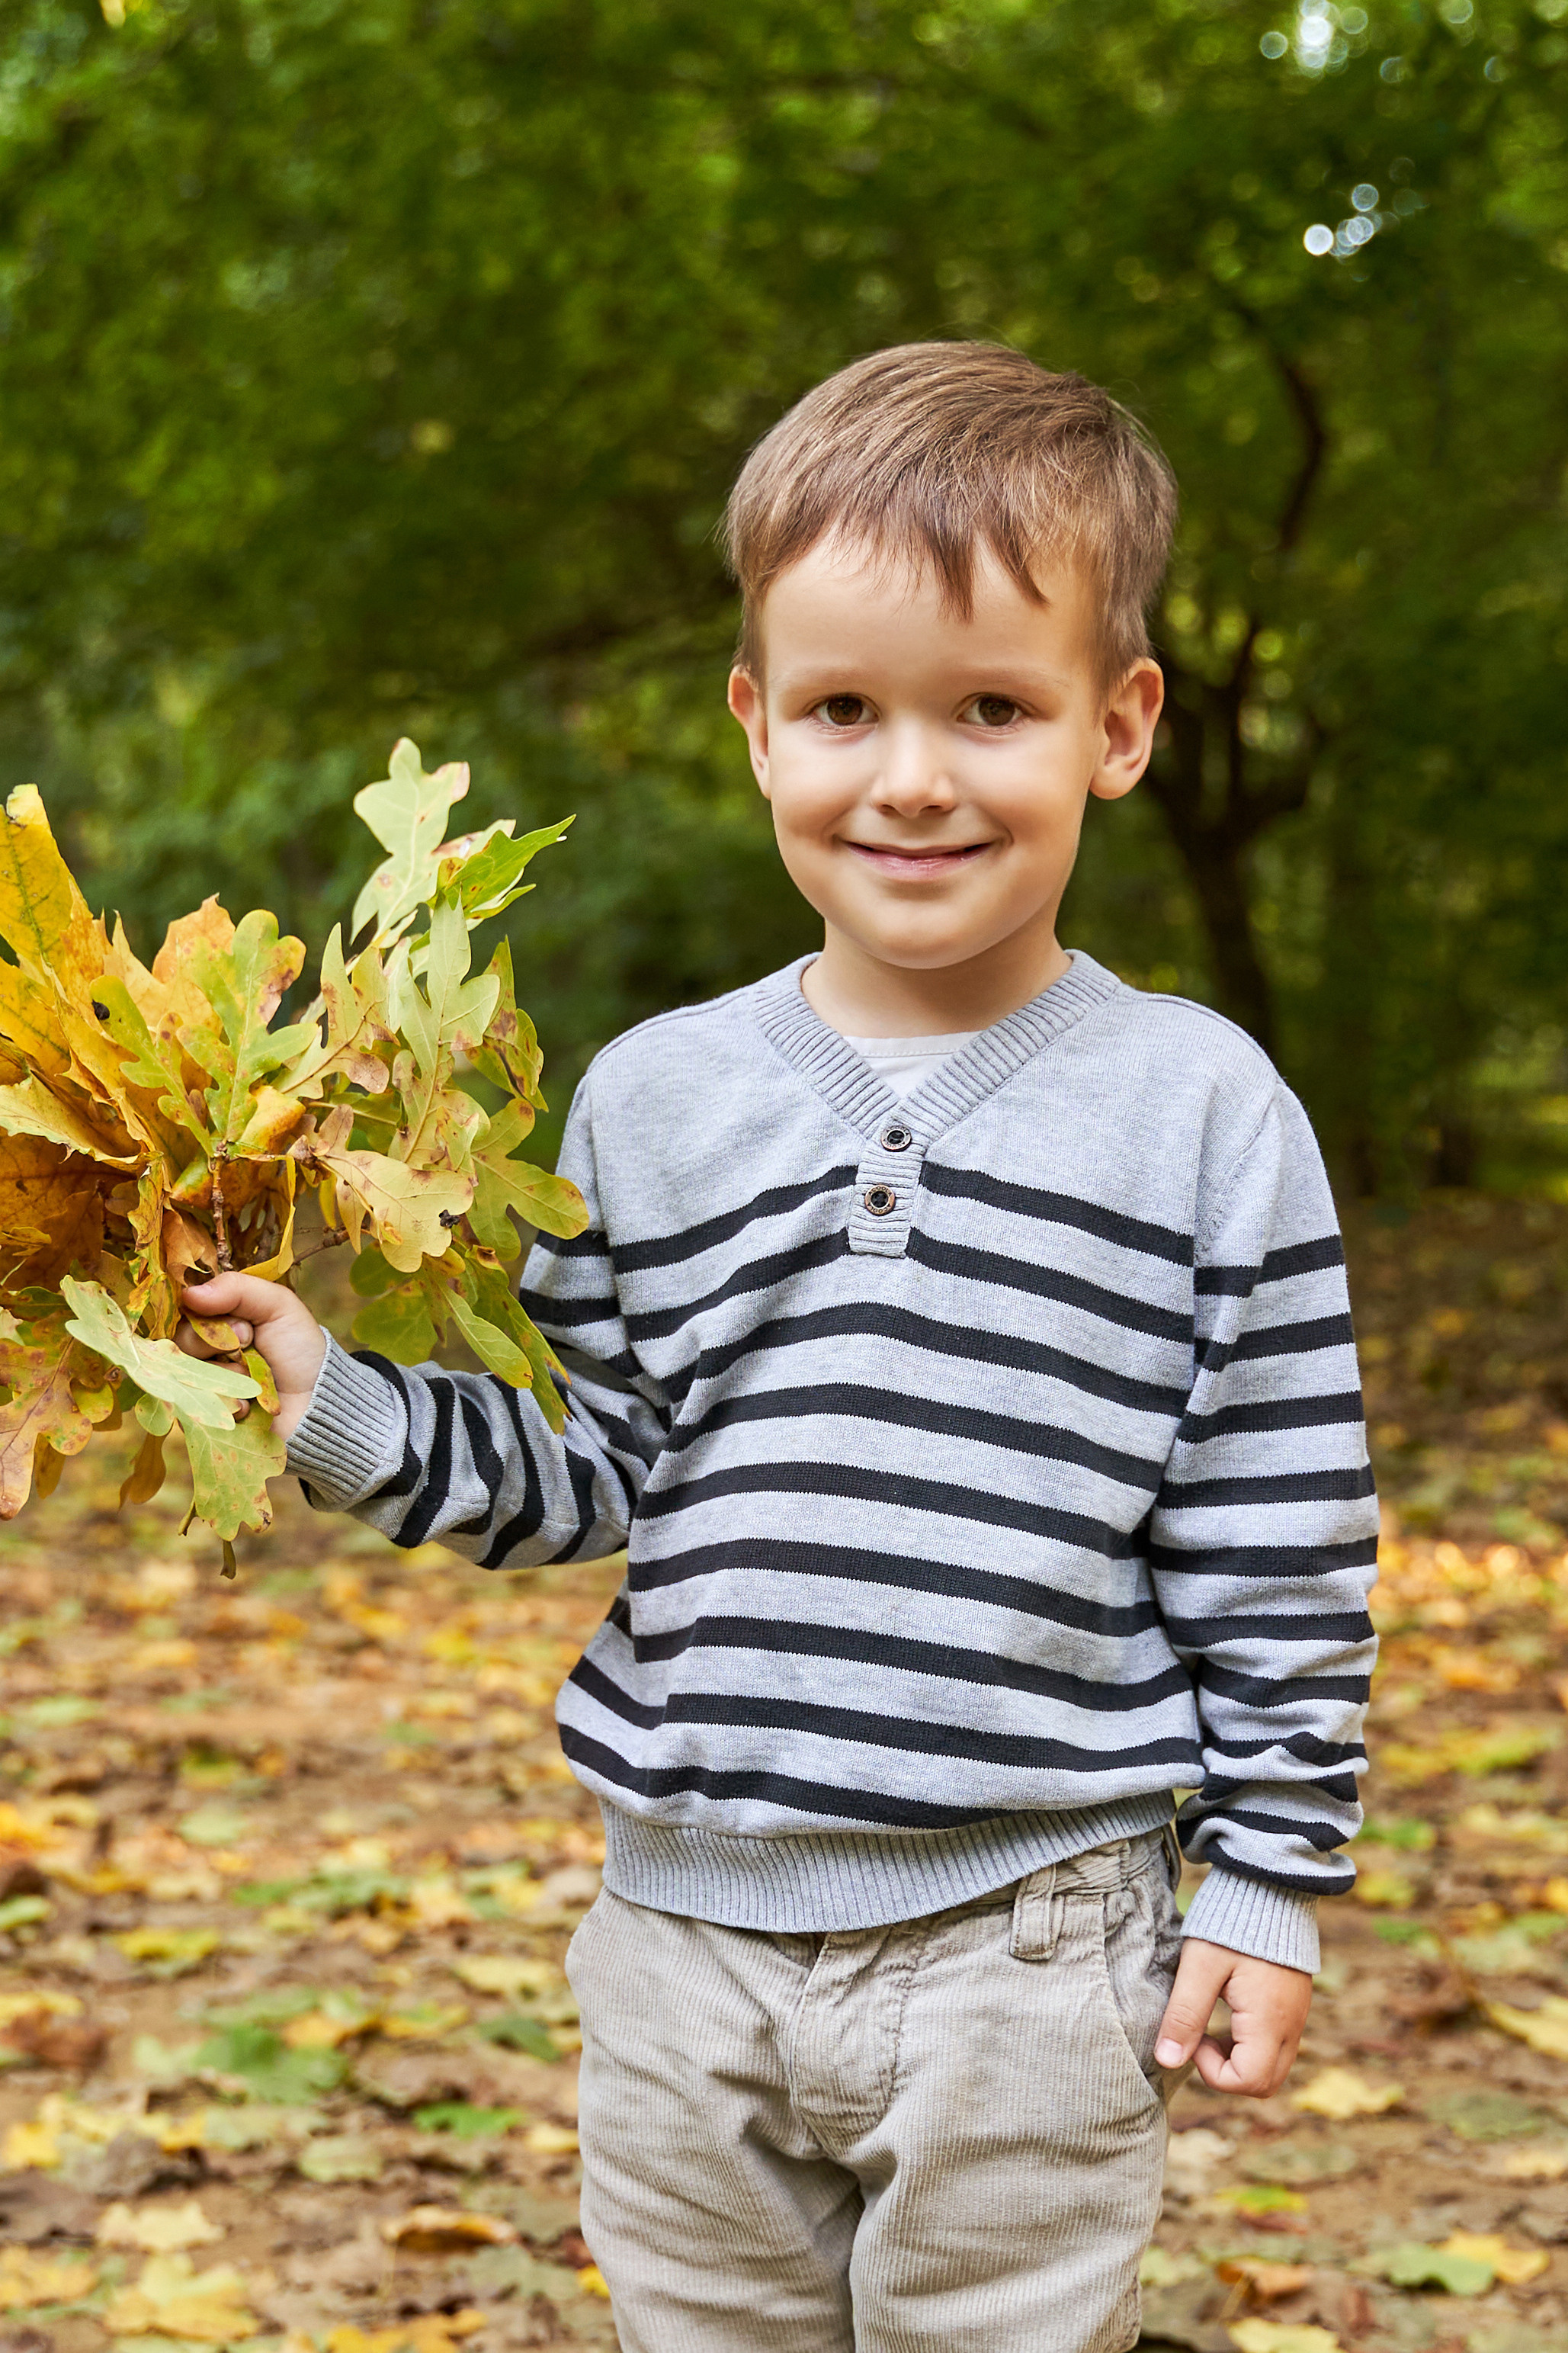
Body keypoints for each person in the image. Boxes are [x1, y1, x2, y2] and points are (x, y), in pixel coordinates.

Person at [181, 342, 1378, 2353]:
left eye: (989, 708)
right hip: (681, 1939)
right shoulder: (654, 1101)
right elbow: (597, 1458)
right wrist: (335, 1405)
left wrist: (1269, 1877)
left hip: (1030, 1940)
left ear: (1117, 725)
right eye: (843, 709)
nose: (908, 776)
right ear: (756, 725)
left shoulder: (1200, 1110)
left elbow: (1277, 1536)